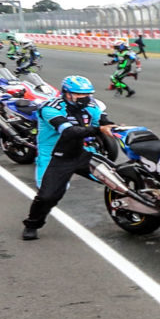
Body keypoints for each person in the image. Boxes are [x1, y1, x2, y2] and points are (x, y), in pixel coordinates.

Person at [22, 76, 117, 241]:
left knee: (118, 177)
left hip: (82, 152)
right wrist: (99, 129)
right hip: (55, 157)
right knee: (48, 196)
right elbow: (69, 132)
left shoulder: (91, 105)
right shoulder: (50, 108)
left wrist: (112, 126)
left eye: (87, 94)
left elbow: (103, 120)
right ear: (66, 93)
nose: (84, 98)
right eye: (79, 94)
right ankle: (32, 224)